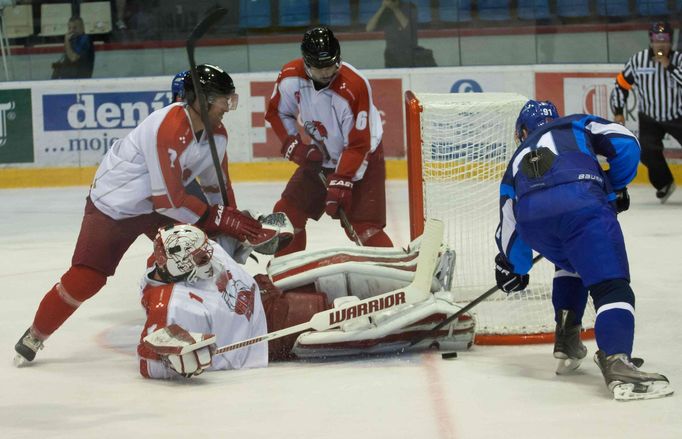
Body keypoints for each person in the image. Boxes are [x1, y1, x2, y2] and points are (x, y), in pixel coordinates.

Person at [14, 64, 268, 367]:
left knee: (187, 254)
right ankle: (36, 333)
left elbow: (218, 190)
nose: (227, 106)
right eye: (219, 98)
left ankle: (164, 322)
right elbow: (170, 201)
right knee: (87, 278)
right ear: (197, 99)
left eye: (229, 98)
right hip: (115, 205)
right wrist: (220, 219)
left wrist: (230, 227)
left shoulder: (218, 135)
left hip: (157, 204)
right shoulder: (168, 126)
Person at [493, 100, 673, 401]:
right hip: (581, 202)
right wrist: (612, 187)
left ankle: (567, 336)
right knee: (612, 287)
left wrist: (516, 266)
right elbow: (627, 143)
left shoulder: (515, 160)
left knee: (571, 262)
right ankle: (617, 361)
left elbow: (509, 222)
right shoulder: (575, 123)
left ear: (522, 132)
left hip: (535, 221)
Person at [141, 223, 474, 378]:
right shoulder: (169, 304)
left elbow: (223, 248)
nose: (211, 262)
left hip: (263, 286)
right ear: (179, 268)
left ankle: (411, 265)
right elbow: (149, 352)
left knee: (335, 262)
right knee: (347, 319)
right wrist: (173, 356)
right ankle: (438, 322)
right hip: (264, 329)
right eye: (201, 261)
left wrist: (252, 234)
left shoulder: (179, 249)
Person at [265, 26, 393, 256]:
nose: (327, 72)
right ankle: (288, 279)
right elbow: (278, 113)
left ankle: (398, 275)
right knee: (287, 214)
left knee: (363, 227)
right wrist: (293, 144)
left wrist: (342, 180)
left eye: (331, 65)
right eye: (319, 67)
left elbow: (357, 144)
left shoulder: (354, 86)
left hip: (364, 155)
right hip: (322, 155)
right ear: (306, 63)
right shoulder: (290, 78)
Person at [139, 224, 268, 379]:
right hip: (261, 341)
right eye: (202, 258)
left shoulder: (197, 249)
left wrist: (250, 233)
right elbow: (149, 364)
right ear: (180, 265)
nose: (209, 257)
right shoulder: (175, 306)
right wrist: (169, 361)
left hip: (263, 296)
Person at [610, 21, 679, 203]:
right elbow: (621, 85)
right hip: (649, 117)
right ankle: (664, 183)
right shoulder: (638, 61)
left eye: (665, 39)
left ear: (671, 41)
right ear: (651, 40)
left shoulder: (679, 59)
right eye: (657, 39)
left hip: (677, 115)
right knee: (647, 151)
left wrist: (668, 65)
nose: (661, 43)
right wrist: (618, 111)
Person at [365, 0, 436, 68]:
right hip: (391, 55)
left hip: (409, 53)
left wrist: (395, 9)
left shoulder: (410, 7)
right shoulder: (385, 11)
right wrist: (382, 7)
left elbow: (408, 28)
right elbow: (369, 28)